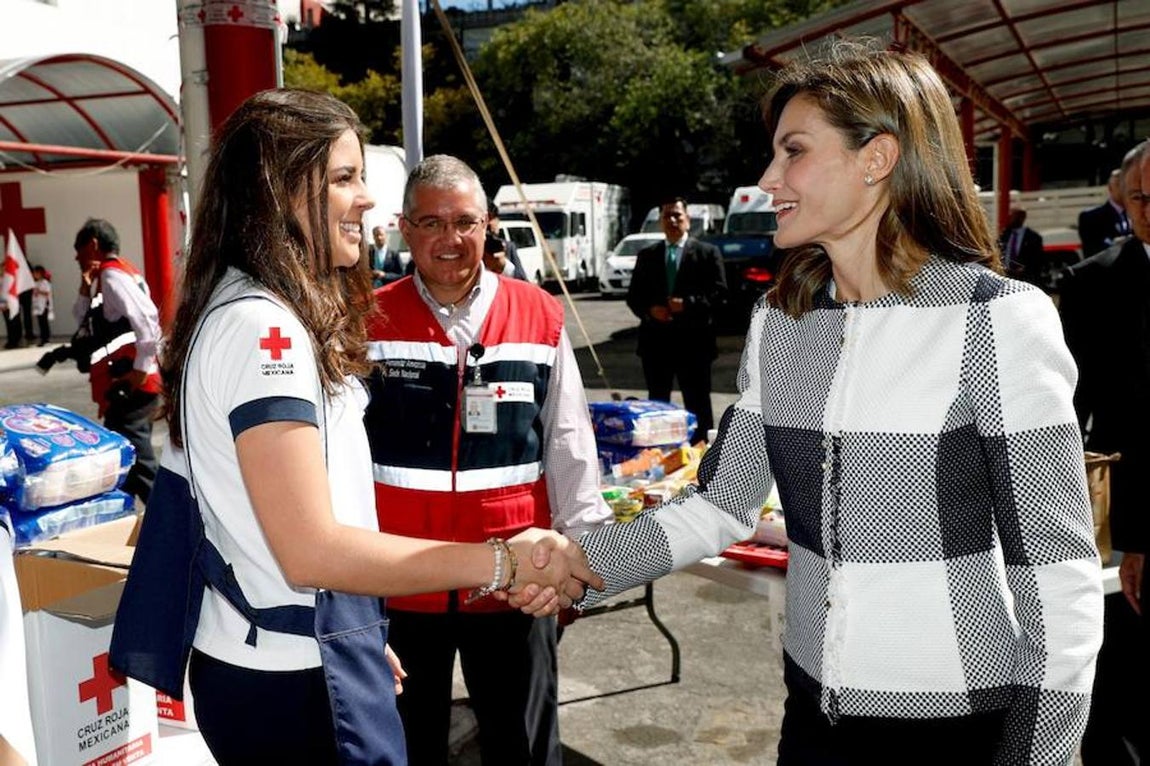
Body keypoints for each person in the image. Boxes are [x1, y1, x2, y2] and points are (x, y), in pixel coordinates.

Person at [519, 42, 1103, 765]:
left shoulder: (997, 319)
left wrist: (1037, 757)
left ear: (877, 158)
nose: (768, 179)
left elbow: (1056, 570)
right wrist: (581, 557)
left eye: (793, 151)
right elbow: (722, 505)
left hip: (954, 727)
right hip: (809, 712)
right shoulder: (781, 320)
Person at [108, 90, 598, 765]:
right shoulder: (265, 329)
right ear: (280, 191)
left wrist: (357, 630)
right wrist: (506, 559)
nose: (367, 199)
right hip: (291, 673)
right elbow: (309, 550)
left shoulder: (252, 310)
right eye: (344, 178)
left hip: (301, 648)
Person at [363, 154, 612, 766]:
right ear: (403, 227)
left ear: (488, 225)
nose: (449, 240)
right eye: (430, 223)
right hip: (399, 581)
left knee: (521, 746)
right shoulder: (364, 320)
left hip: (516, 582)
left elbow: (570, 445)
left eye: (464, 222)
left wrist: (581, 563)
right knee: (401, 745)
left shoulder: (540, 315)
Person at [1059, 140, 1150, 765]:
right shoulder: (1093, 282)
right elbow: (1069, 407)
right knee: (1118, 673)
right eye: (1139, 197)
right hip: (1123, 509)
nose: (1149, 208)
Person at [71, 218, 162, 502]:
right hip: (126, 383)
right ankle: (138, 524)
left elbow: (147, 320)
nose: (76, 256)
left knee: (137, 459)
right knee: (123, 459)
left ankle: (168, 523)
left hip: (132, 384)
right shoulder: (117, 273)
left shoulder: (112, 276)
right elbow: (82, 321)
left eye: (79, 248)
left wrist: (140, 369)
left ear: (93, 245)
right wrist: (85, 288)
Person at [625, 196, 726, 439]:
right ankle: (660, 452)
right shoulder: (647, 255)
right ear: (660, 222)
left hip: (694, 344)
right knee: (658, 404)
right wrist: (650, 310)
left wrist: (688, 304)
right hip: (656, 344)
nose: (672, 220)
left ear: (687, 220)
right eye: (666, 216)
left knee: (698, 402)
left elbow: (720, 294)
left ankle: (703, 456)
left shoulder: (707, 253)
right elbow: (634, 296)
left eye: (677, 215)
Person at [1078, 168, 1130, 258]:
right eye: (1118, 185)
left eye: (1126, 186)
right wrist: (1115, 245)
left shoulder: (1137, 214)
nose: (1123, 190)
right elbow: (1091, 252)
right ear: (1110, 188)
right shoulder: (1091, 217)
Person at [486, 200, 528, 280]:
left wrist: (504, 266)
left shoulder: (507, 247)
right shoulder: (467, 250)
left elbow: (523, 282)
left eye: (491, 219)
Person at [30, 264, 52, 346]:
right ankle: (42, 338)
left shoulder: (45, 282)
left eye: (36, 273)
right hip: (38, 306)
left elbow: (47, 293)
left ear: (40, 273)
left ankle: (46, 339)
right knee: (40, 323)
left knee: (44, 323)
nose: (34, 275)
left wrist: (38, 291)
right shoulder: (36, 283)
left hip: (44, 306)